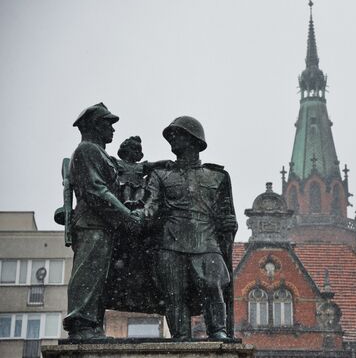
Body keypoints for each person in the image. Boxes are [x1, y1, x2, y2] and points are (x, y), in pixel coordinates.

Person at [142, 116, 237, 340]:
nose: (172, 139)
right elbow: (150, 207)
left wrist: (231, 225)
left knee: (213, 287)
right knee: (174, 295)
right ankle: (181, 338)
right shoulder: (160, 175)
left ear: (194, 140)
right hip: (171, 244)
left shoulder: (218, 176)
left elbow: (227, 215)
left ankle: (218, 331)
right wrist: (135, 215)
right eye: (170, 135)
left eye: (178, 134)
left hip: (207, 242)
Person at [63, 103, 143, 340]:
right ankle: (81, 324)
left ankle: (91, 324)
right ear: (95, 126)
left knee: (98, 277)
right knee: (88, 273)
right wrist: (126, 215)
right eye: (108, 123)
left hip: (102, 226)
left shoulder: (98, 153)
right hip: (92, 225)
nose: (113, 130)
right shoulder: (88, 150)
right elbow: (97, 191)